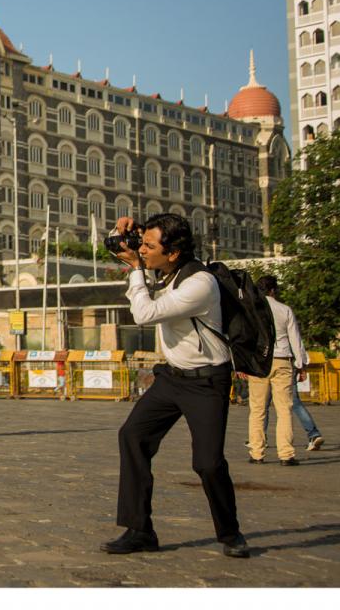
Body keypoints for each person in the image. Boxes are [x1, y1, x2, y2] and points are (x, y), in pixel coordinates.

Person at [101, 214, 249, 558]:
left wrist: (136, 269)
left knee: (208, 463)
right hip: (171, 378)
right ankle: (139, 529)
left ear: (173, 252)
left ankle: (230, 533)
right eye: (143, 243)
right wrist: (121, 233)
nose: (143, 250)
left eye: (150, 246)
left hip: (206, 381)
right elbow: (122, 250)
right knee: (133, 435)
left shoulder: (199, 283)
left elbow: (145, 313)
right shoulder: (167, 269)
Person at [246, 275, 318, 461]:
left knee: (257, 409)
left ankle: (256, 453)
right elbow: (295, 339)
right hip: (282, 360)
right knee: (284, 409)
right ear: (273, 290)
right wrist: (301, 365)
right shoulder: (285, 309)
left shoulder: (252, 310)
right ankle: (286, 454)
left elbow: (246, 338)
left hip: (259, 362)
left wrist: (243, 364)